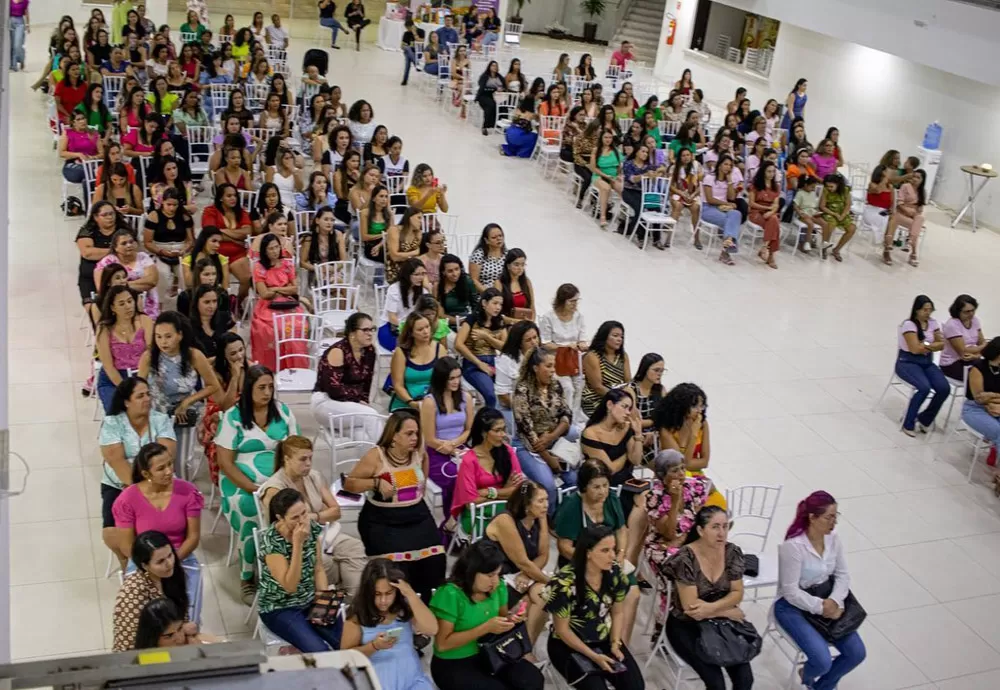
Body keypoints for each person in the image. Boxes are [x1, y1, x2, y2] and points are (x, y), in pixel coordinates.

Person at [215, 364, 300, 603]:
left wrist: (281, 482)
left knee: (296, 509)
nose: (267, 393)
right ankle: (247, 576)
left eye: (271, 387)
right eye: (261, 387)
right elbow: (225, 462)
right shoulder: (233, 417)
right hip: (241, 482)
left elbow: (296, 449)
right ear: (248, 389)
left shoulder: (283, 412)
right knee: (250, 511)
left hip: (280, 479)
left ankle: (292, 567)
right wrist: (253, 489)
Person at [345, 409, 447, 601]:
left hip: (416, 515)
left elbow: (423, 476)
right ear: (394, 435)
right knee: (396, 568)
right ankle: (397, 606)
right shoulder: (376, 456)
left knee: (435, 559)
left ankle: (425, 604)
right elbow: (350, 483)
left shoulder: (419, 454)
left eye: (416, 433)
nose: (415, 438)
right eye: (409, 434)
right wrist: (375, 483)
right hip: (382, 520)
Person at [775, 491, 867, 690]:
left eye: (836, 516)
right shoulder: (793, 546)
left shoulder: (833, 539)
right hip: (793, 606)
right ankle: (808, 677)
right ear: (812, 517)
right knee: (822, 661)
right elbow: (790, 591)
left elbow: (842, 575)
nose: (834, 522)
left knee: (857, 653)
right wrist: (821, 607)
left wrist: (834, 600)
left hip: (827, 598)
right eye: (829, 517)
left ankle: (822, 687)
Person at [429, 540, 545, 690]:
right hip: (455, 661)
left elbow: (503, 618)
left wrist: (512, 619)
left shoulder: (498, 587)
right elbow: (442, 644)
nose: (495, 580)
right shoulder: (450, 594)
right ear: (471, 571)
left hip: (491, 652)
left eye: (497, 574)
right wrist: (485, 628)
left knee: (532, 680)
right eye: (490, 575)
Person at [664, 506, 756, 690]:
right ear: (700, 530)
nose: (722, 533)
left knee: (745, 679)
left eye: (725, 526)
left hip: (721, 624)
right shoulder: (685, 558)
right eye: (715, 527)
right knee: (716, 684)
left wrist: (712, 610)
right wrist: (728, 612)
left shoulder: (732, 552)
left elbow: (737, 593)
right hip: (686, 625)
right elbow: (692, 609)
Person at [544, 524, 645, 690]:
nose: (612, 556)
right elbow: (562, 631)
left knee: (635, 686)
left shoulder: (614, 573)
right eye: (605, 550)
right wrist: (594, 657)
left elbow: (618, 613)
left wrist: (615, 643)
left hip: (603, 637)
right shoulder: (564, 583)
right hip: (568, 644)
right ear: (588, 552)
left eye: (613, 549)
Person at [113, 442, 203, 619]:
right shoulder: (127, 500)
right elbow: (126, 546)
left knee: (188, 617)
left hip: (180, 556)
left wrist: (170, 562)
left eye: (170, 464)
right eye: (161, 468)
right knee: (147, 617)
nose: (169, 471)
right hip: (143, 560)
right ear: (146, 474)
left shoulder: (188, 491)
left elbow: (193, 537)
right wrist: (153, 566)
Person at [100, 377, 177, 568]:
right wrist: (138, 491)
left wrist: (150, 488)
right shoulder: (112, 423)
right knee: (111, 533)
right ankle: (129, 562)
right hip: (119, 484)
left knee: (164, 526)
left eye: (148, 394)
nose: (147, 399)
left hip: (160, 483)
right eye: (140, 396)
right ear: (126, 401)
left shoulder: (160, 420)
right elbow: (116, 460)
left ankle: (160, 562)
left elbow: (167, 455)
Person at [257, 488, 343, 651]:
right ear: (280, 518)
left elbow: (318, 569)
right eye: (295, 517)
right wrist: (298, 544)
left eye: (304, 513)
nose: (302, 521)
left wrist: (323, 601)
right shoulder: (271, 542)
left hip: (309, 598)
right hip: (280, 607)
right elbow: (290, 586)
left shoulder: (311, 527)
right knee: (318, 650)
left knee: (344, 643)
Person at [341, 559, 438, 690]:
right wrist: (374, 646)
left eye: (389, 593)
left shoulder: (405, 608)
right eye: (377, 594)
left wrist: (410, 594)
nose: (383, 601)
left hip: (412, 680)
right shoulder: (357, 616)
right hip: (376, 684)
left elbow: (432, 629)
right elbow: (346, 657)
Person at [643, 449, 710, 630]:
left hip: (688, 540)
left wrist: (684, 539)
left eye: (682, 468)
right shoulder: (654, 497)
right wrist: (675, 500)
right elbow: (669, 534)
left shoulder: (694, 487)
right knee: (678, 569)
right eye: (674, 470)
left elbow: (701, 520)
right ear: (662, 476)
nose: (681, 474)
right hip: (660, 545)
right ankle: (669, 622)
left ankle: (700, 613)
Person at [512, 347, 578, 514]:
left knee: (574, 480)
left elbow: (566, 414)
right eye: (548, 366)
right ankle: (547, 520)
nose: (552, 370)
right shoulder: (522, 390)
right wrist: (549, 460)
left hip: (552, 439)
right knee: (548, 486)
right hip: (528, 445)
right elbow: (526, 429)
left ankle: (564, 517)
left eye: (553, 366)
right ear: (536, 368)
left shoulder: (555, 385)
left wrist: (552, 436)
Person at [112, 531, 193, 651]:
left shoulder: (172, 574)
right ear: (145, 566)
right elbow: (130, 645)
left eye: (170, 555)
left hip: (174, 643)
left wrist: (184, 629)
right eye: (160, 561)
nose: (169, 563)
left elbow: (182, 613)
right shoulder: (132, 593)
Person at [654, 382, 726, 510]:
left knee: (719, 504)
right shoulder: (667, 430)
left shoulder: (703, 425)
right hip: (673, 477)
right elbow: (680, 463)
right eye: (694, 406)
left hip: (696, 475)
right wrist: (693, 435)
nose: (699, 410)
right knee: (693, 506)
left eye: (701, 405)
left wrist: (690, 465)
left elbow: (704, 462)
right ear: (681, 406)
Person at [420, 357, 474, 522]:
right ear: (441, 378)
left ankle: (470, 518)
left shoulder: (466, 398)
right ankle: (451, 521)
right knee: (454, 478)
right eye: (451, 378)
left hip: (460, 447)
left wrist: (454, 445)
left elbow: (469, 429)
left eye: (458, 377)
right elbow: (429, 438)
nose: (456, 381)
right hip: (436, 452)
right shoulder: (430, 402)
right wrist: (448, 447)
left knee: (476, 475)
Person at [451, 407, 524, 527]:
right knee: (509, 529)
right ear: (484, 432)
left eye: (504, 429)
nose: (503, 434)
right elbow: (471, 502)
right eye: (498, 430)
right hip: (478, 515)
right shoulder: (470, 460)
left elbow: (518, 489)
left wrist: (487, 492)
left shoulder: (508, 452)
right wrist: (505, 491)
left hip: (505, 509)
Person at [581, 389, 644, 529]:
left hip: (627, 480)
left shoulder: (626, 428)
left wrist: (638, 435)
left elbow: (636, 460)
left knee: (646, 499)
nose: (628, 413)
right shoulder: (591, 433)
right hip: (603, 484)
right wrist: (627, 453)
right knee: (635, 504)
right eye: (624, 407)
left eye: (630, 409)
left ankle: (632, 539)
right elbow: (609, 469)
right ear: (610, 405)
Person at [251, 233, 310, 373]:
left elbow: (295, 289)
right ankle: (277, 365)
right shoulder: (259, 267)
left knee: (297, 326)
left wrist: (275, 289)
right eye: (271, 248)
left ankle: (296, 364)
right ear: (265, 250)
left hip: (288, 303)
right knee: (274, 328)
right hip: (268, 305)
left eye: (277, 247)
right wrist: (284, 289)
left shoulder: (287, 264)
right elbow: (264, 294)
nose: (275, 251)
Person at [94, 285, 153, 413]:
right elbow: (108, 366)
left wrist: (139, 385)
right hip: (114, 379)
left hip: (142, 374)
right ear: (112, 307)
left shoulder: (145, 320)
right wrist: (126, 391)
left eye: (130, 301)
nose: (128, 306)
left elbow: (150, 353)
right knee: (119, 413)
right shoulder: (104, 328)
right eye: (122, 303)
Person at [455, 288, 507, 409]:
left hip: (495, 362)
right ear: (484, 303)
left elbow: (505, 347)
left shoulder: (499, 321)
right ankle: (489, 418)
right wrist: (479, 364)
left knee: (508, 390)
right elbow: (458, 344)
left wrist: (486, 337)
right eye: (495, 303)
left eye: (500, 304)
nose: (498, 307)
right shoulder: (472, 319)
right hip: (474, 364)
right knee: (491, 395)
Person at [539, 284, 588, 409]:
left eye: (577, 301)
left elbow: (582, 339)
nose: (575, 304)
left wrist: (582, 344)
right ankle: (566, 415)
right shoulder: (548, 317)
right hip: (557, 360)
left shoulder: (578, 316)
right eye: (572, 301)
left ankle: (575, 415)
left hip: (574, 360)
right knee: (568, 388)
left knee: (579, 387)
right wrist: (565, 347)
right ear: (562, 301)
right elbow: (545, 344)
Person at [94, 229, 160, 319]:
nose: (129, 245)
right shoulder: (107, 261)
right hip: (118, 305)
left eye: (131, 242)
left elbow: (152, 281)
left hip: (146, 303)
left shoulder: (143, 257)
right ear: (115, 247)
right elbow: (102, 287)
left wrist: (123, 285)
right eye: (124, 243)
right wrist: (140, 284)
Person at [76, 201, 129, 307]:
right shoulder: (87, 230)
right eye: (105, 215)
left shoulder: (123, 229)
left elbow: (131, 249)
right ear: (96, 217)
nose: (110, 217)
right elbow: (87, 253)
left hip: (119, 276)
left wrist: (101, 252)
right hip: (90, 277)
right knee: (93, 308)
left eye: (112, 213)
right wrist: (116, 250)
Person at [962, 338, 1000, 475]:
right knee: (999, 431)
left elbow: (986, 396)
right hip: (974, 409)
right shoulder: (978, 368)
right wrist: (993, 399)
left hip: (997, 406)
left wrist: (992, 396)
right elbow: (979, 398)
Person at [496, 321, 540, 436]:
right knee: (527, 433)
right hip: (511, 408)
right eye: (528, 340)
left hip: (537, 406)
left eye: (535, 337)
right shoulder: (506, 360)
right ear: (519, 343)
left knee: (571, 432)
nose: (534, 342)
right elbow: (503, 396)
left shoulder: (542, 356)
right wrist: (525, 411)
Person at [581, 321, 630, 418]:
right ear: (604, 336)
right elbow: (597, 387)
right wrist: (618, 399)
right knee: (617, 415)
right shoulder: (593, 356)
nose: (619, 339)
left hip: (619, 398)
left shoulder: (623, 356)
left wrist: (627, 398)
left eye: (621, 337)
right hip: (596, 399)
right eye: (615, 336)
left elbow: (628, 381)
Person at [702, 154, 742, 266]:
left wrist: (729, 181)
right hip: (707, 208)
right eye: (725, 164)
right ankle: (725, 253)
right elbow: (709, 199)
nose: (728, 167)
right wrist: (727, 203)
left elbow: (732, 197)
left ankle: (726, 248)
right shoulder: (709, 178)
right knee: (731, 222)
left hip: (722, 209)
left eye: (730, 165)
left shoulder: (727, 181)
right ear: (719, 165)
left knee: (736, 214)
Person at [884, 169, 927, 267]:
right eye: (914, 176)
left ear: (922, 180)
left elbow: (920, 209)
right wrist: (908, 211)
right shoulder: (905, 186)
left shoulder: (922, 192)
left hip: (913, 217)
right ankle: (910, 251)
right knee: (896, 219)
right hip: (902, 213)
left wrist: (914, 213)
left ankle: (912, 243)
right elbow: (899, 204)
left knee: (920, 219)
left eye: (918, 178)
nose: (915, 179)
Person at [941, 294, 986, 381]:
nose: (971, 314)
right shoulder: (952, 325)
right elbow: (963, 352)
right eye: (967, 312)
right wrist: (982, 348)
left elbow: (982, 342)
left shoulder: (975, 320)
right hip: (952, 363)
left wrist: (976, 355)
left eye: (973, 310)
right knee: (981, 377)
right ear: (958, 311)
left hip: (972, 358)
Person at [750, 161, 783, 269]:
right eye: (769, 171)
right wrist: (767, 209)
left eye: (773, 171)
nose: (771, 174)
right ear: (763, 172)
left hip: (770, 213)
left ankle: (765, 247)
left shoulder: (776, 186)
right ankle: (771, 257)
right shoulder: (755, 185)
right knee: (775, 223)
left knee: (773, 220)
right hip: (756, 212)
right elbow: (751, 203)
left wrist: (770, 212)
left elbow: (776, 205)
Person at [817, 173, 856, 263]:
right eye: (828, 186)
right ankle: (824, 247)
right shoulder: (825, 191)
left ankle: (837, 249)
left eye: (831, 186)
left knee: (852, 228)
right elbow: (822, 206)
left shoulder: (845, 190)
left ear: (838, 185)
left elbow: (848, 204)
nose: (829, 188)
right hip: (829, 212)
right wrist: (834, 214)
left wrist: (842, 215)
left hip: (842, 212)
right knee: (830, 225)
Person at [589, 129, 623, 229]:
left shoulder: (616, 151)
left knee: (622, 189)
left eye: (610, 137)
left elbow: (619, 166)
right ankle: (603, 216)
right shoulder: (596, 150)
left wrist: (619, 175)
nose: (608, 139)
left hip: (613, 176)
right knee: (605, 188)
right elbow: (593, 168)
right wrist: (605, 176)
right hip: (599, 176)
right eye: (606, 137)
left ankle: (624, 214)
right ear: (601, 138)